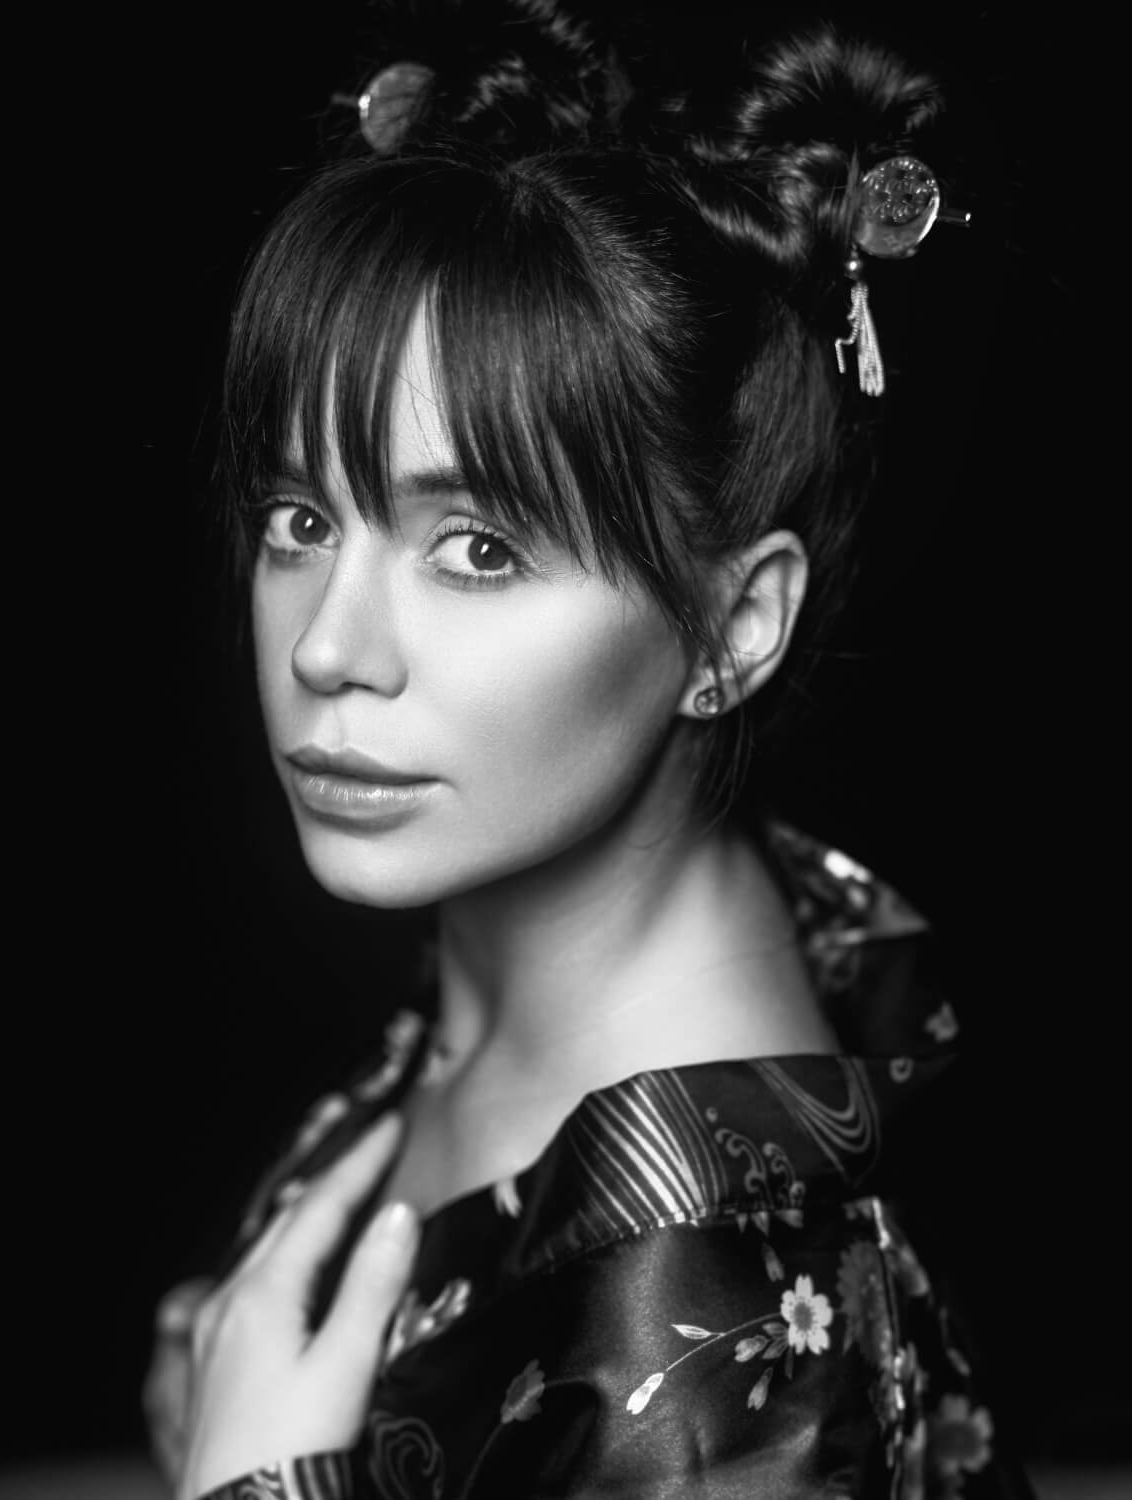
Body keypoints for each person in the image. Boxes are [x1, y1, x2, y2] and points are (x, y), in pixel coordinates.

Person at [145, 5, 1031, 1495]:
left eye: (478, 546)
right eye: (304, 519)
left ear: (730, 629)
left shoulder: (721, 1359)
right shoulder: (536, 971)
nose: (325, 648)